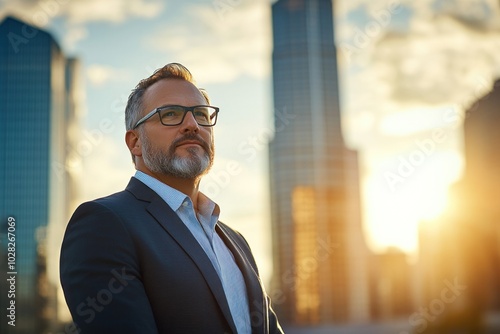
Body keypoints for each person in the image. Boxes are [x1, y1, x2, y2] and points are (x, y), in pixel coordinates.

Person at [60, 63, 283, 334]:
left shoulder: (236, 240)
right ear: (135, 143)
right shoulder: (103, 224)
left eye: (201, 115)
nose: (192, 125)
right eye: (171, 114)